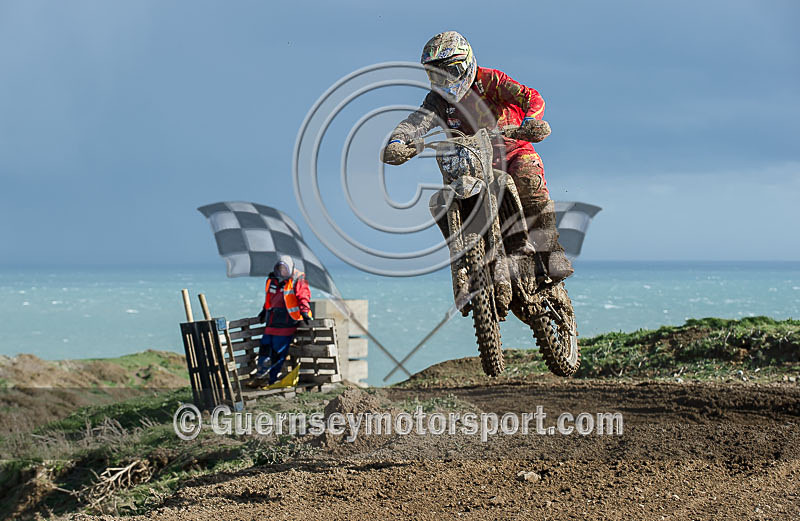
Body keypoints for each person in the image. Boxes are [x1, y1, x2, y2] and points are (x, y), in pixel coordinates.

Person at [381, 30, 573, 282]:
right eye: (436, 74)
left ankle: (551, 252)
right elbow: (418, 121)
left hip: (511, 150)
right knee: (441, 200)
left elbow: (530, 96)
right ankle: (461, 258)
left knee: (527, 173)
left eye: (450, 71)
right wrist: (397, 141)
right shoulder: (437, 99)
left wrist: (531, 122)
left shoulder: (490, 81)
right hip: (468, 162)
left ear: (466, 64)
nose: (444, 79)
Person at [253, 255, 312, 385]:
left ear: (290, 268)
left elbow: (303, 296)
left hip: (287, 321)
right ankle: (261, 376)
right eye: (280, 268)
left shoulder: (298, 278)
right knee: (265, 346)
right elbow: (269, 297)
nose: (282, 271)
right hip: (272, 320)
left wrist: (304, 311)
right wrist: (264, 310)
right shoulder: (272, 279)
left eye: (284, 268)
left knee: (278, 351)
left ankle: (272, 379)